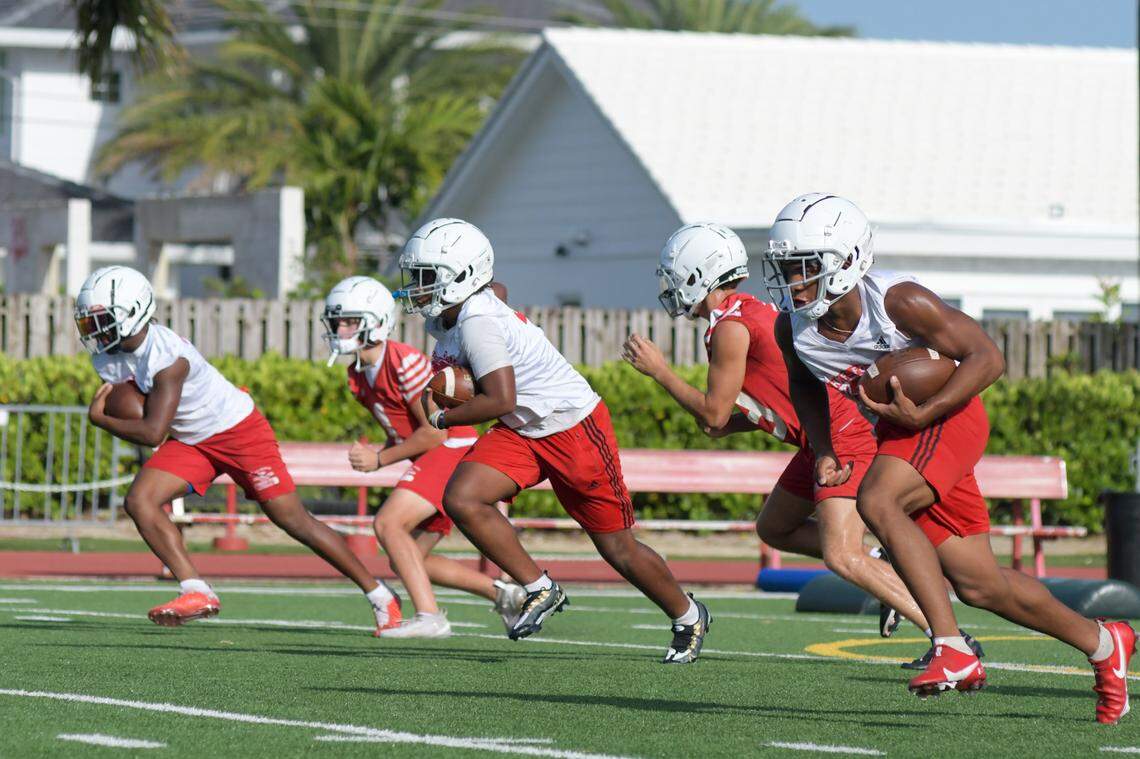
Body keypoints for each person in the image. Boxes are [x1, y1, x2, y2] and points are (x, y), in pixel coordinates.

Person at [762, 192, 1134, 722]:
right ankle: (1103, 642)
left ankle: (951, 647)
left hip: (948, 418)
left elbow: (988, 356)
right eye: (786, 267)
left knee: (878, 500)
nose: (793, 281)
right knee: (981, 583)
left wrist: (928, 408)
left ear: (847, 260)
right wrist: (822, 446)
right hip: (903, 432)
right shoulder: (791, 326)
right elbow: (803, 384)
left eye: (804, 266)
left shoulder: (898, 301)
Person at [622, 222, 947, 653]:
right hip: (819, 436)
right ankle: (881, 563)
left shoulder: (731, 327)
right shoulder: (739, 314)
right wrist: (740, 417)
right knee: (775, 527)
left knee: (840, 554)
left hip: (841, 432)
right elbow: (724, 420)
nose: (669, 285)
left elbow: (714, 412)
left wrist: (661, 373)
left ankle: (946, 636)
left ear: (698, 273)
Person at [397, 217, 711, 663]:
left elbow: (498, 396)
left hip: (571, 426)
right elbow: (498, 291)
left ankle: (687, 614)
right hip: (524, 427)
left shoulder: (477, 323)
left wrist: (443, 416)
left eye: (426, 276)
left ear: (460, 277)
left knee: (616, 548)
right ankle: (539, 588)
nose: (416, 286)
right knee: (464, 498)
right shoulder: (460, 311)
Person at [76, 265, 399, 632]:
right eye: (88, 321)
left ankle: (380, 594)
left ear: (132, 311)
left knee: (294, 521)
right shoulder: (106, 356)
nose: (92, 329)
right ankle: (196, 590)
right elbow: (137, 409)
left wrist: (101, 420)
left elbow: (151, 432)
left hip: (236, 430)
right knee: (140, 500)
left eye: (99, 319)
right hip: (192, 439)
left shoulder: (168, 356)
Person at [322, 275, 526, 638]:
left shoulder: (404, 362)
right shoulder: (358, 375)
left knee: (387, 525)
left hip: (452, 447)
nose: (340, 328)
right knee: (410, 557)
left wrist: (380, 460)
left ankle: (430, 616)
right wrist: (380, 452)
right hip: (435, 454)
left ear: (378, 320)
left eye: (349, 320)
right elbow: (408, 433)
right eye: (337, 320)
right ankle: (504, 595)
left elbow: (434, 429)